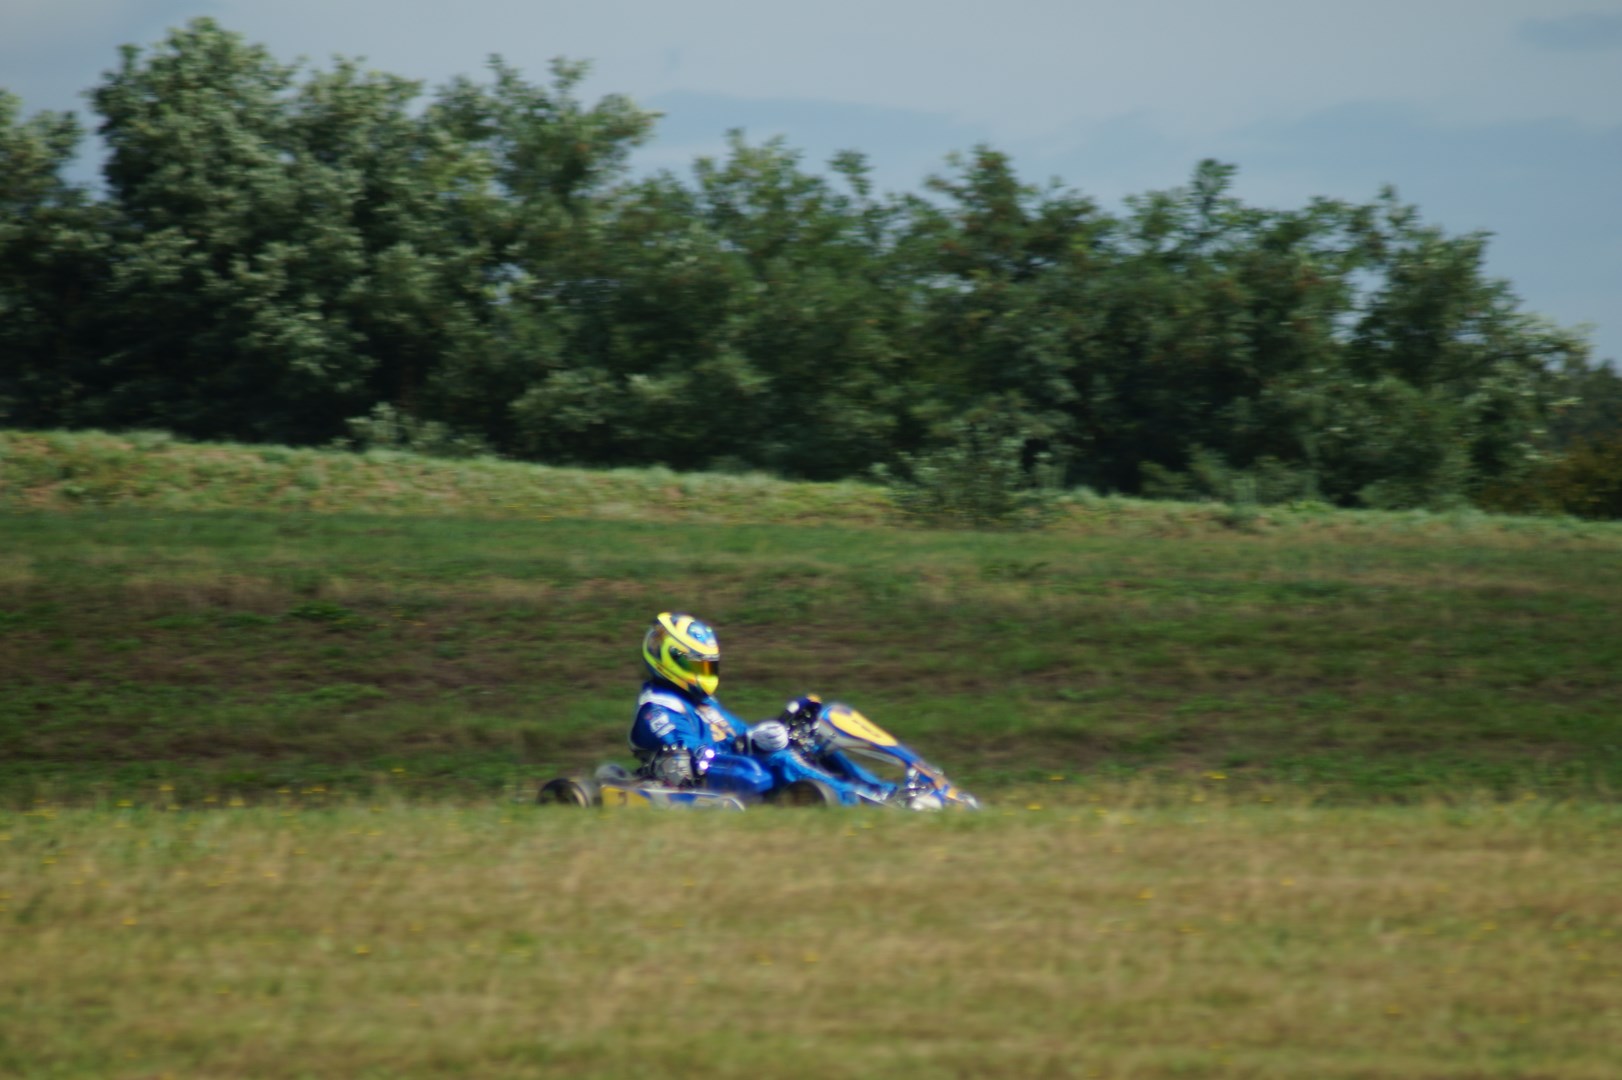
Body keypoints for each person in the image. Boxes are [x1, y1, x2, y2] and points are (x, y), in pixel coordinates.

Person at [628, 612, 750, 786]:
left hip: (721, 768)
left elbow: (739, 734)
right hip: (691, 780)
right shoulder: (657, 707)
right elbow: (685, 744)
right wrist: (709, 756)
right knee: (681, 760)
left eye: (708, 667)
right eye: (697, 665)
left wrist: (760, 738)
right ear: (670, 659)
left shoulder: (704, 702)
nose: (704, 673)